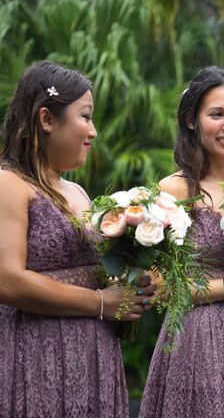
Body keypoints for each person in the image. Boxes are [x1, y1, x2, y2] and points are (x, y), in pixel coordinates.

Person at [0, 61, 154, 417]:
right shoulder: (9, 184)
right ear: (47, 119)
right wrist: (100, 302)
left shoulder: (78, 191)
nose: (94, 131)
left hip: (94, 352)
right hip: (36, 353)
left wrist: (132, 283)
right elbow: (7, 280)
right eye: (85, 117)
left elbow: (94, 272)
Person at [139, 66, 224, 417]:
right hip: (195, 340)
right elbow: (161, 287)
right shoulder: (175, 190)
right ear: (190, 120)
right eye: (217, 114)